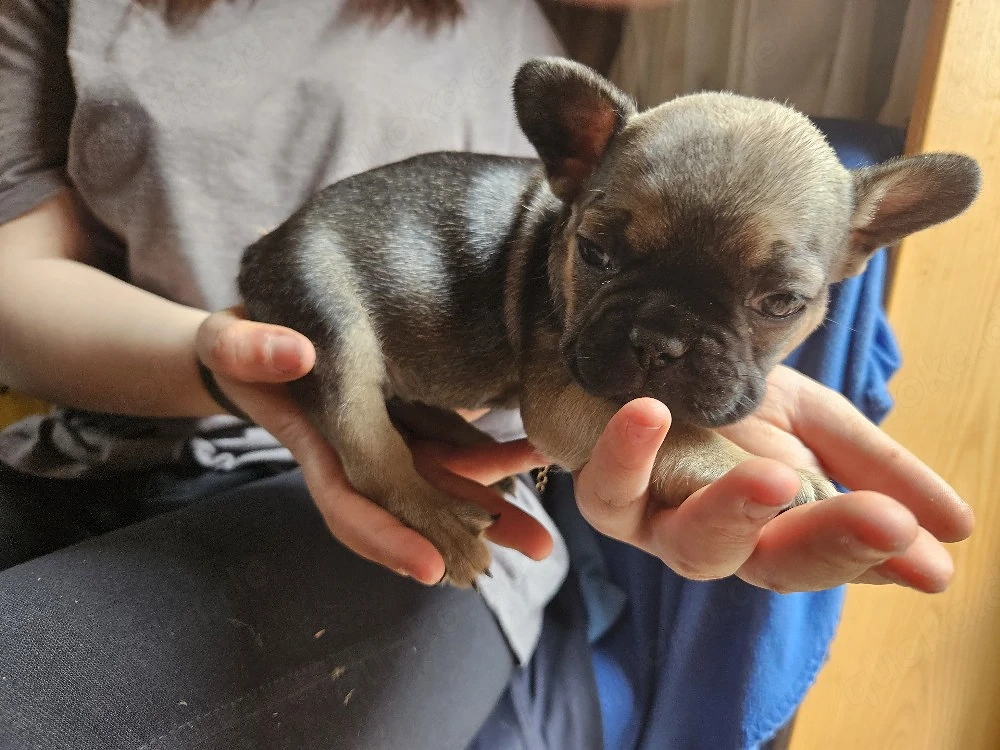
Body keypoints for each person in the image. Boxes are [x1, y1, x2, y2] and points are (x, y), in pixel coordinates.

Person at [0, 1, 972, 748]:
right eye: (606, 256)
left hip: (404, 484)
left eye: (771, 300)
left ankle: (394, 467)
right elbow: (564, 415)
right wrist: (232, 365)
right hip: (150, 414)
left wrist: (738, 467)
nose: (661, 344)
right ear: (575, 168)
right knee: (329, 302)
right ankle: (381, 460)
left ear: (862, 242)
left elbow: (562, 422)